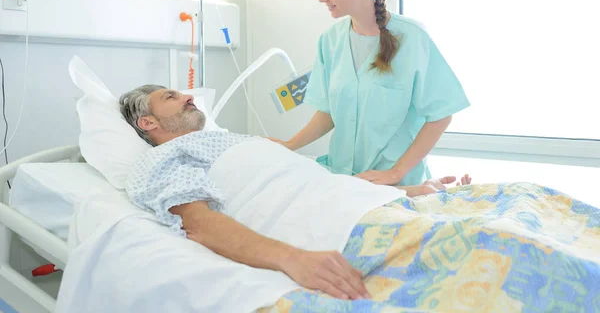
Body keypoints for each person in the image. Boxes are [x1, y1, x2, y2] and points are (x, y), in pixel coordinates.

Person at [119, 85, 471, 301]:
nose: (188, 96)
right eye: (171, 97)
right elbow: (198, 223)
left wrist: (416, 192)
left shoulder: (238, 139)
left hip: (365, 204)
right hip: (335, 227)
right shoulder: (162, 159)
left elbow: (318, 180)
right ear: (148, 123)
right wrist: (294, 258)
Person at [269, 0, 470, 186]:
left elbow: (440, 115)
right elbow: (329, 112)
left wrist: (395, 173)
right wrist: (290, 145)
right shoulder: (330, 41)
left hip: (398, 186)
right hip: (344, 181)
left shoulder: (412, 38)